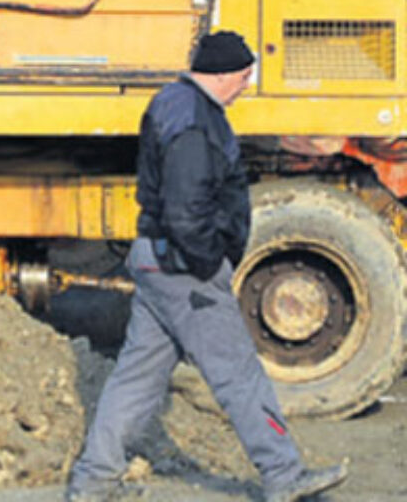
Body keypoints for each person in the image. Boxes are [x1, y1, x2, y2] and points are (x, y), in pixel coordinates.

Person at [65, 31, 348, 502]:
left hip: (155, 260)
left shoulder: (171, 102)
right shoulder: (196, 122)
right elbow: (187, 205)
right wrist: (206, 261)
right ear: (223, 73)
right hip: (184, 270)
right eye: (244, 76)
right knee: (238, 373)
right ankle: (283, 475)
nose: (246, 85)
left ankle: (94, 482)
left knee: (136, 378)